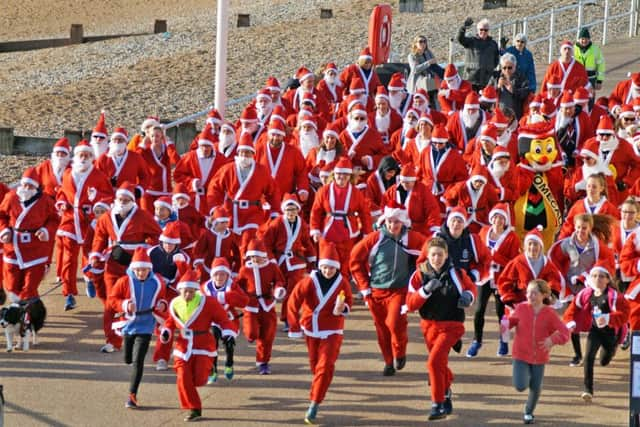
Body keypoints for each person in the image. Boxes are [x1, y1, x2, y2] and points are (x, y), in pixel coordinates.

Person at [350, 203, 425, 376]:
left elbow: (429, 249)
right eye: (390, 221)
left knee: (394, 323)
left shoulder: (411, 238)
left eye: (396, 221)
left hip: (399, 290)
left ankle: (399, 352)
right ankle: (388, 361)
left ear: (403, 222)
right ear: (384, 221)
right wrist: (364, 288)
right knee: (381, 329)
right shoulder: (375, 238)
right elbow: (354, 260)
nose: (393, 225)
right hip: (376, 290)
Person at [406, 237, 476, 420]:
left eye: (440, 254)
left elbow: (471, 288)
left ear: (446, 255)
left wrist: (468, 297)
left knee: (433, 363)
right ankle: (445, 392)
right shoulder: (419, 275)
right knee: (440, 364)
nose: (437, 258)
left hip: (452, 325)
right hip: (429, 326)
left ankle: (437, 405)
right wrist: (425, 291)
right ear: (427, 256)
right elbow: (410, 304)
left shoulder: (458, 273)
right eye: (433, 254)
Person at [90, 181, 162, 353]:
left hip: (134, 267)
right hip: (113, 264)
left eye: (126, 198)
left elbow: (156, 237)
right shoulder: (106, 217)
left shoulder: (143, 216)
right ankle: (112, 340)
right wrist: (96, 255)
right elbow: (99, 237)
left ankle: (134, 329)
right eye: (120, 198)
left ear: (132, 200)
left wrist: (139, 254)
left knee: (133, 300)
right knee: (111, 302)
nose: (122, 201)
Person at [287, 240, 353, 425]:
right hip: (311, 328)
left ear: (337, 268)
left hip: (333, 330)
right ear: (320, 266)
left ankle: (314, 403)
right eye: (324, 267)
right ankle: (318, 389)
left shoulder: (342, 283)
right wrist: (293, 326)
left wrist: (343, 307)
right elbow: (293, 302)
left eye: (331, 268)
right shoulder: (309, 281)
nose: (328, 271)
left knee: (325, 366)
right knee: (315, 366)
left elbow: (349, 301)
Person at [160, 270, 237, 422]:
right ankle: (194, 408)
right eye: (184, 291)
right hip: (182, 347)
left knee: (199, 380)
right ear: (179, 290)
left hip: (203, 345)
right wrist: (166, 331)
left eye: (190, 291)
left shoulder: (208, 302)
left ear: (196, 290)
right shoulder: (175, 303)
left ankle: (210, 369)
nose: (187, 294)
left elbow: (223, 320)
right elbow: (170, 320)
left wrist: (228, 333)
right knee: (183, 377)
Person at [548, 213, 615, 367]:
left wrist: (591, 278)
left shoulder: (596, 246)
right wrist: (562, 278)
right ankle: (578, 354)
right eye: (578, 228)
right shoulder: (567, 244)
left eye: (584, 228)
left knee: (597, 320)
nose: (580, 231)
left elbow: (606, 262)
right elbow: (555, 260)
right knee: (571, 321)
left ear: (590, 228)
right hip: (572, 288)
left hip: (592, 288)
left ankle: (604, 347)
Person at [501, 279, 570, 424]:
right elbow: (512, 321)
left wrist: (552, 340)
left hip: (540, 356)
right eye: (528, 293)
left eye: (534, 293)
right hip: (520, 354)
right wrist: (506, 324)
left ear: (544, 295)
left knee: (536, 387)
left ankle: (528, 412)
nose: (529, 296)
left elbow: (564, 333)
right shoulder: (521, 308)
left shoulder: (550, 313)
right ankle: (525, 378)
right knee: (521, 386)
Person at [56, 140, 113, 310]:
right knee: (68, 259)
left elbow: (109, 196)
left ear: (91, 157)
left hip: (89, 221)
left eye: (87, 155)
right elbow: (61, 194)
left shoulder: (99, 176)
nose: (83, 158)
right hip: (70, 220)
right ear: (76, 156)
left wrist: (97, 197)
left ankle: (89, 278)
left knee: (90, 254)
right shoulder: (67, 174)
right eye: (81, 155)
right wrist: (61, 203)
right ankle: (69, 294)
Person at [108, 247, 168, 409]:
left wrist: (162, 304)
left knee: (138, 361)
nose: (141, 273)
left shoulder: (157, 282)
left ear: (150, 269)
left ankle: (132, 395)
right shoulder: (124, 282)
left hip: (146, 324)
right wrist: (125, 304)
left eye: (145, 270)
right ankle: (128, 357)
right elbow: (112, 299)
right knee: (128, 358)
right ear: (133, 269)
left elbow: (162, 298)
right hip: (128, 323)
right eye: (138, 270)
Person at [563, 263, 629, 402]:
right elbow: (572, 309)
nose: (597, 279)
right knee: (588, 357)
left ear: (607, 279)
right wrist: (571, 322)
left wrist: (608, 318)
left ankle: (612, 350)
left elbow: (625, 315)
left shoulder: (614, 296)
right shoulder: (586, 294)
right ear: (590, 279)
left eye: (601, 276)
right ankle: (588, 390)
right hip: (595, 331)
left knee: (604, 361)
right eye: (594, 276)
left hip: (611, 333)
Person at [467, 204, 520, 358]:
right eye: (496, 217)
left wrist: (495, 257)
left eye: (502, 218)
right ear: (491, 218)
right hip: (485, 276)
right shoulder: (484, 232)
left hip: (501, 279)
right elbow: (477, 253)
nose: (498, 221)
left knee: (501, 313)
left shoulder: (512, 237)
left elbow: (513, 262)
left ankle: (503, 341)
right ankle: (477, 340)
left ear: (506, 221)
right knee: (479, 310)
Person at [258, 193, 316, 331]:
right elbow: (266, 242)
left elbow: (306, 242)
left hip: (296, 262)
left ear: (298, 210)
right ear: (284, 210)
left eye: (294, 209)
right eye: (288, 210)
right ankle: (263, 318)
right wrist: (271, 260)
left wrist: (312, 258)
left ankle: (288, 319)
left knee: (292, 291)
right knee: (269, 289)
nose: (291, 212)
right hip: (278, 261)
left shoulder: (301, 223)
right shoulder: (277, 223)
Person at [0, 168, 58, 302]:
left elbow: (54, 219)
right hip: (13, 246)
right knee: (11, 285)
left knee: (30, 286)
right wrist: (4, 230)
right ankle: (24, 306)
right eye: (24, 185)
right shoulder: (11, 197)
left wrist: (45, 231)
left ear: (36, 187)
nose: (26, 188)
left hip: (36, 249)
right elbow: (1, 215)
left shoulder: (45, 201)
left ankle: (29, 316)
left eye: (30, 186)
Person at [310, 157, 372, 278]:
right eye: (339, 174)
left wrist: (366, 233)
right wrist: (315, 230)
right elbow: (316, 211)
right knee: (326, 263)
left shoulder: (355, 192)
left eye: (345, 175)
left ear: (350, 176)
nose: (342, 177)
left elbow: (364, 213)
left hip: (347, 233)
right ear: (334, 174)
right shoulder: (324, 191)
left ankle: (342, 289)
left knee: (344, 264)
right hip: (327, 232)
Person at [235, 239, 286, 374]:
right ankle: (251, 335)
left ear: (263, 255)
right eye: (252, 256)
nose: (254, 259)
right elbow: (238, 285)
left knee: (267, 336)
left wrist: (278, 290)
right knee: (252, 332)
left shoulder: (272, 267)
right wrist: (240, 297)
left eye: (256, 256)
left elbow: (279, 281)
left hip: (268, 304)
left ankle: (263, 362)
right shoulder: (245, 269)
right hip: (251, 305)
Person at [200, 258, 249, 383]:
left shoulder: (232, 286)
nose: (219, 277)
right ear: (212, 275)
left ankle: (229, 363)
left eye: (223, 274)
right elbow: (198, 304)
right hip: (212, 320)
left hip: (228, 319)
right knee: (212, 345)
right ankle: (213, 370)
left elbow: (244, 301)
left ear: (227, 275)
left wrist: (226, 297)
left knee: (229, 344)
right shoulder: (205, 288)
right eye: (217, 274)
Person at [498, 227, 565, 307]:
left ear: (540, 247)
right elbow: (505, 280)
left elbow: (554, 280)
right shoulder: (518, 262)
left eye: (535, 244)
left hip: (541, 303)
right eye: (530, 244)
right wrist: (510, 299)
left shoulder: (547, 263)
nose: (532, 247)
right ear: (525, 247)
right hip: (521, 303)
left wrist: (552, 293)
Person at [457, 17, 500, 91]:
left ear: (488, 31)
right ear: (478, 30)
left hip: (487, 81)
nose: (483, 32)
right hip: (471, 80)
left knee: (485, 102)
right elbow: (460, 39)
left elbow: (496, 59)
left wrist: (490, 69)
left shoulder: (493, 44)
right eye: (481, 29)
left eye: (485, 30)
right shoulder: (471, 41)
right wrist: (463, 28)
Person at [488, 53, 530, 119]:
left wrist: (513, 90)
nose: (507, 70)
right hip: (498, 114)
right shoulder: (495, 77)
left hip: (515, 115)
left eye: (509, 68)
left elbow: (526, 92)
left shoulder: (521, 77)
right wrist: (497, 87)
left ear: (515, 66)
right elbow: (487, 93)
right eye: (504, 68)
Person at [407, 35, 444, 105]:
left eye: (424, 41)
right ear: (415, 44)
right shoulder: (412, 56)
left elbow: (434, 64)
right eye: (420, 42)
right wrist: (428, 62)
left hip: (431, 80)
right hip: (418, 82)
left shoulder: (428, 52)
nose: (423, 44)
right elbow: (415, 69)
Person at [574, 27, 606, 93]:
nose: (584, 41)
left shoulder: (595, 49)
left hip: (591, 79)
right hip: (577, 80)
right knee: (577, 99)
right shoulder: (573, 49)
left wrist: (599, 81)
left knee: (590, 100)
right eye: (582, 39)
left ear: (589, 39)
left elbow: (601, 65)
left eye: (586, 39)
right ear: (579, 39)